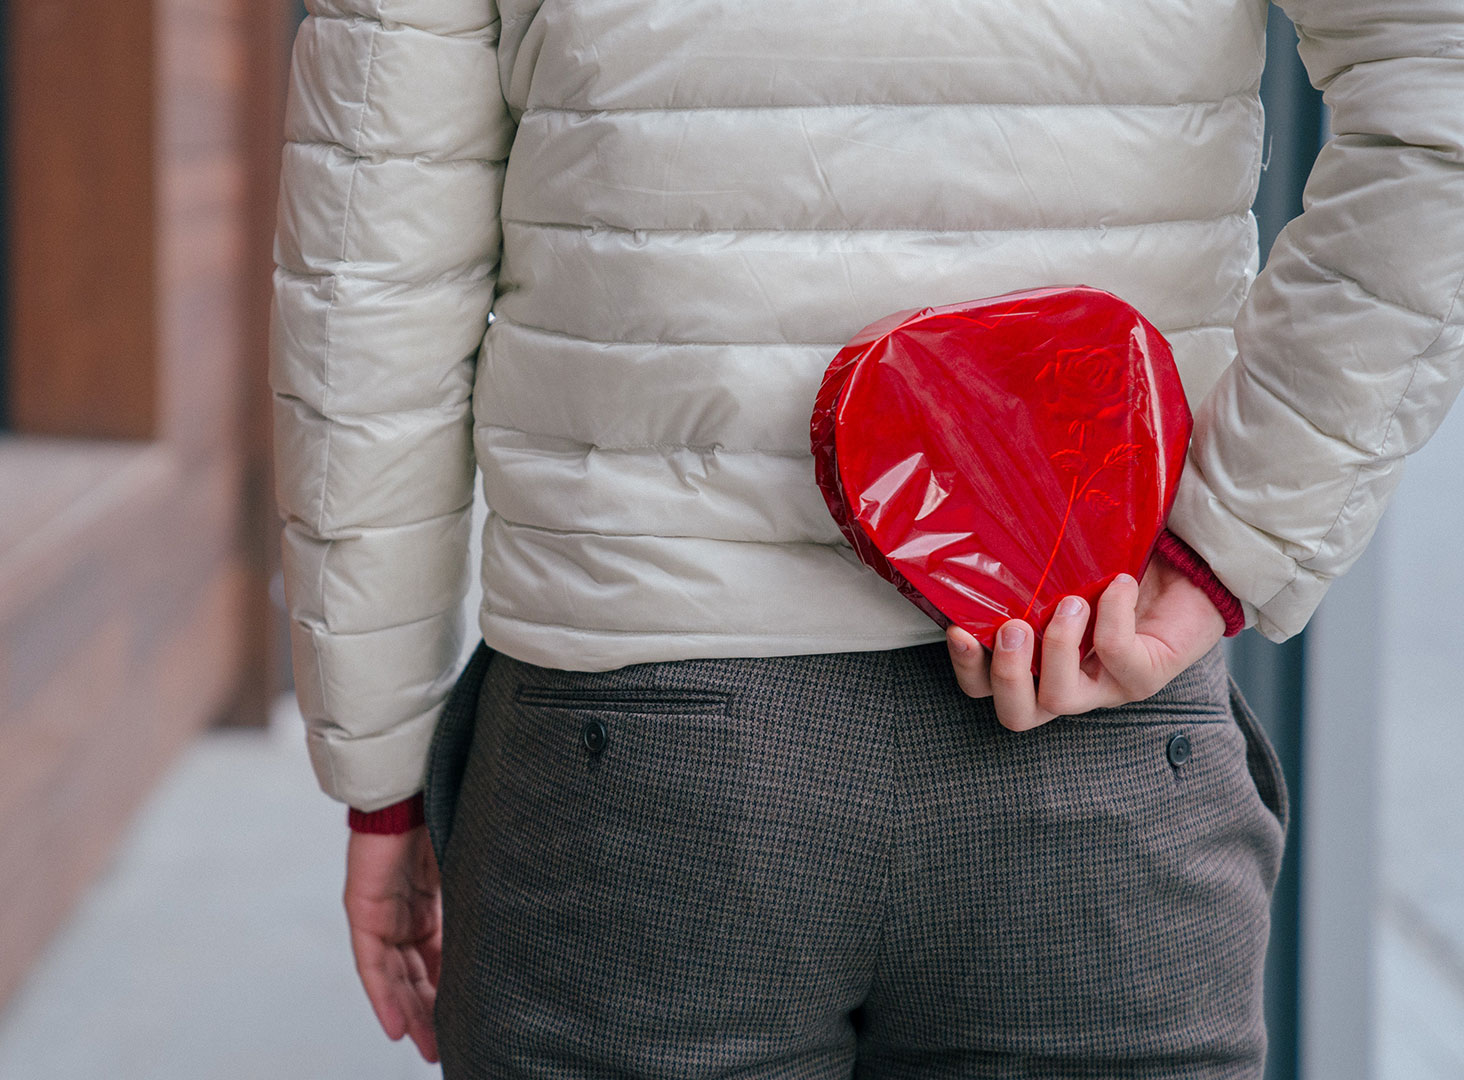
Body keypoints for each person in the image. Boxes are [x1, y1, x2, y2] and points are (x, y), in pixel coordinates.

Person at [268, 0, 1464, 1075]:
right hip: (1092, 692)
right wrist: (1220, 553)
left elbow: (369, 270)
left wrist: (379, 771)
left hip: (642, 760)